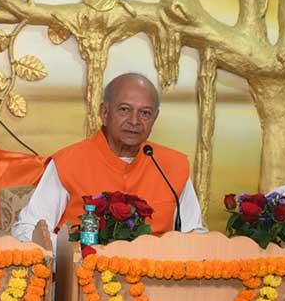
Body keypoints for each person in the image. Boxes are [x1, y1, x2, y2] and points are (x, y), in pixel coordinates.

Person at [12, 73, 204, 242]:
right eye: (124, 110)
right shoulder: (68, 162)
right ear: (104, 113)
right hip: (83, 275)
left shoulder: (172, 167)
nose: (134, 121)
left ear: (154, 118)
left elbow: (195, 234)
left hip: (157, 278)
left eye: (145, 113)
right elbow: (28, 229)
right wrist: (72, 253)